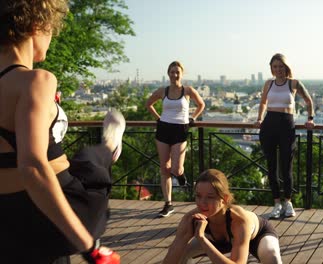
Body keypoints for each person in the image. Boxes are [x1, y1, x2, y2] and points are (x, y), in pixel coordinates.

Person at [0, 0, 123, 263]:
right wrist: (90, 248)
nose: (52, 38)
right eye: (51, 31)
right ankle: (110, 142)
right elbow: (32, 167)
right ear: (36, 25)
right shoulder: (37, 80)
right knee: (90, 162)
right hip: (54, 210)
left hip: (8, 219)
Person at [163, 169, 283, 264]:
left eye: (210, 197)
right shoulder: (191, 218)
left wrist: (202, 238)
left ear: (224, 199)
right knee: (181, 253)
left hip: (257, 236)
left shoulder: (238, 220)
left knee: (273, 259)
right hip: (219, 241)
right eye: (198, 196)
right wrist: (185, 239)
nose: (202, 203)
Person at [255, 53, 315, 219]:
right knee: (271, 167)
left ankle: (287, 202)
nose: (278, 69)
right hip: (269, 124)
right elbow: (263, 103)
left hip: (287, 125)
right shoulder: (268, 83)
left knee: (286, 166)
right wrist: (259, 119)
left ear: (286, 67)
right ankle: (276, 203)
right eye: (275, 67)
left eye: (281, 66)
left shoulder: (293, 83)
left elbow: (309, 101)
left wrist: (310, 119)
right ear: (271, 69)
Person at [146, 61, 205, 217]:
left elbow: (201, 105)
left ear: (182, 74)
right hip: (164, 129)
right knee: (164, 168)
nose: (174, 75)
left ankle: (180, 175)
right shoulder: (162, 91)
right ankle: (168, 204)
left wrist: (193, 118)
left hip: (180, 129)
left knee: (176, 168)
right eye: (172, 72)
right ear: (168, 74)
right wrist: (158, 118)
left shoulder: (188, 90)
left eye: (177, 72)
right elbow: (149, 104)